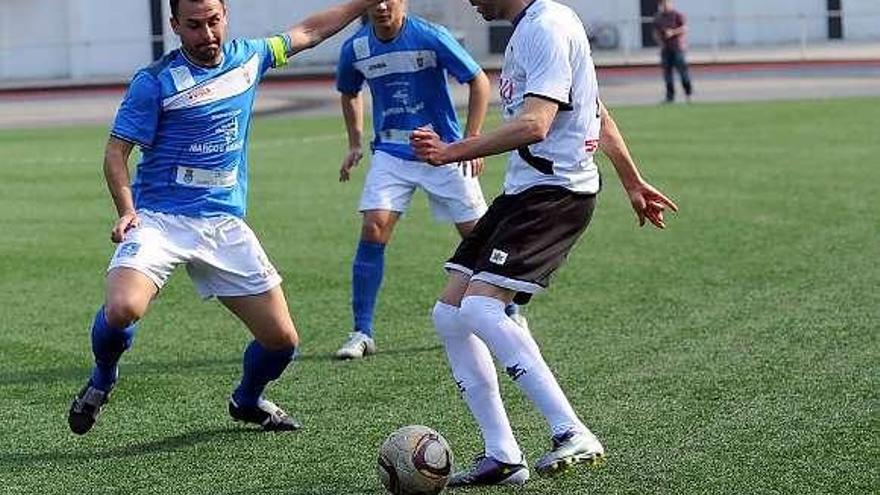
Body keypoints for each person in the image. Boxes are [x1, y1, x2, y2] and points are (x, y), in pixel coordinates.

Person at [67, 0, 382, 436]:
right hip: (160, 219)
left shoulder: (251, 56)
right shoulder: (154, 82)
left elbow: (310, 30)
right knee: (122, 307)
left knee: (282, 343)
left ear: (226, 16)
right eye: (194, 25)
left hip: (222, 224)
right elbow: (116, 154)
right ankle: (102, 378)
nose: (207, 34)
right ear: (175, 26)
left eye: (213, 21)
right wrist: (127, 211)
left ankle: (247, 400)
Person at [411, 0, 678, 486]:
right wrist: (633, 182)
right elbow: (595, 108)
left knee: (480, 310)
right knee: (449, 313)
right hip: (523, 192)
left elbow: (536, 124)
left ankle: (571, 432)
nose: (470, 0)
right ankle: (503, 455)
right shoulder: (530, 28)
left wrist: (452, 152)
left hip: (555, 194)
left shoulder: (547, 27)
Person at [333, 0, 520, 360]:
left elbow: (478, 80)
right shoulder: (355, 47)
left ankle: (510, 314)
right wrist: (355, 142)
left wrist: (471, 142)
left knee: (478, 237)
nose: (383, 6)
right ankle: (362, 331)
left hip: (442, 150)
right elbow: (349, 90)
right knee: (373, 228)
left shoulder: (431, 36)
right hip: (390, 153)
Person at [653, 0, 693, 103]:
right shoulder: (659, 17)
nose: (665, 5)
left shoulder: (677, 15)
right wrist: (660, 42)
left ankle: (688, 94)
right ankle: (670, 97)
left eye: (667, 3)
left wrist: (673, 32)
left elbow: (684, 28)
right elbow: (656, 32)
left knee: (683, 73)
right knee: (667, 75)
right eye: (663, 3)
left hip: (677, 48)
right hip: (666, 49)